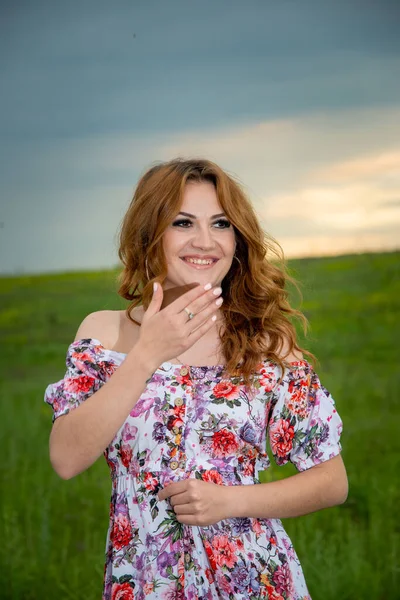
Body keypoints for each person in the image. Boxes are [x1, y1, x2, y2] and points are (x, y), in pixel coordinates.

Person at [44, 157, 348, 600]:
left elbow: (332, 481)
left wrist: (231, 501)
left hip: (253, 579)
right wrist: (148, 352)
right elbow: (66, 459)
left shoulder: (265, 344)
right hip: (148, 580)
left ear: (237, 240)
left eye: (221, 224)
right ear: (151, 234)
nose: (205, 242)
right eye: (183, 223)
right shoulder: (105, 333)